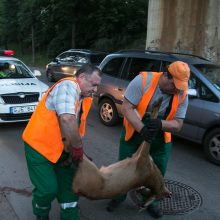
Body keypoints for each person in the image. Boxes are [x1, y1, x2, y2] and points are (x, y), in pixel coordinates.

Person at [106, 61, 190, 218]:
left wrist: (160, 123)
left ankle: (152, 201)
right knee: (124, 168)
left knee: (157, 172)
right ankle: (118, 197)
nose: (177, 90)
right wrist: (142, 129)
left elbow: (178, 124)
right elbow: (126, 107)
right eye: (174, 86)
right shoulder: (142, 81)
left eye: (180, 87)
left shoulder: (182, 94)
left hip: (160, 138)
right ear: (166, 75)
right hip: (134, 132)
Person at [22, 64, 102, 220]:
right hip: (39, 147)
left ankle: (70, 215)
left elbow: (73, 128)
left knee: (69, 189)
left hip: (63, 150)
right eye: (94, 85)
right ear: (82, 78)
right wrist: (78, 149)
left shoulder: (82, 97)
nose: (95, 90)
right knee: (47, 190)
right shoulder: (68, 86)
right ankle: (41, 213)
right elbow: (66, 118)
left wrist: (78, 152)